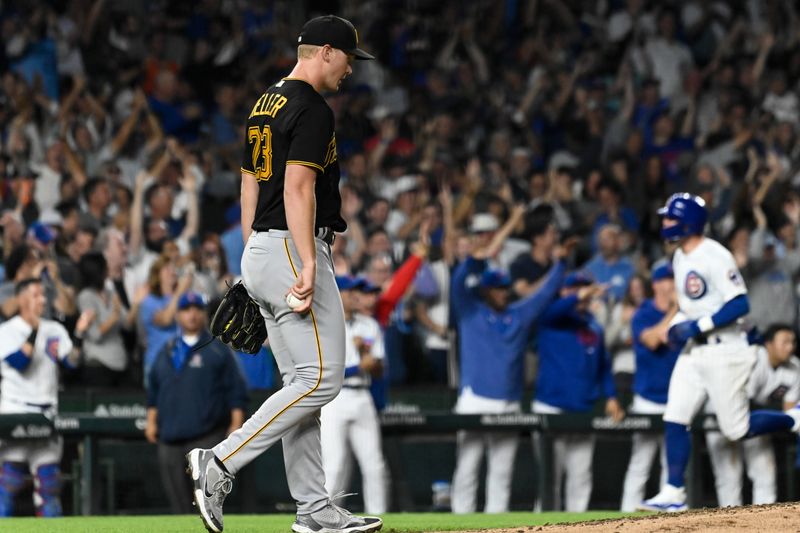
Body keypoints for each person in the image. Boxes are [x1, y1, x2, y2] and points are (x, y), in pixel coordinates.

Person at [185, 15, 383, 533]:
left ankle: (314, 510)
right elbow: (298, 190)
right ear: (324, 52)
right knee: (322, 379)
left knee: (300, 384)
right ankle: (221, 461)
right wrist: (306, 260)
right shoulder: (312, 107)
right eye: (346, 58)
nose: (348, 70)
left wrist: (255, 251)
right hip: (293, 246)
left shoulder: (265, 101)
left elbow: (249, 180)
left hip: (264, 245)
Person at [639, 193, 800, 512]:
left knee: (736, 429)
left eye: (671, 218)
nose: (665, 223)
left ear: (688, 223)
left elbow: (740, 303)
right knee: (675, 415)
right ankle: (673, 491)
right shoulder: (680, 257)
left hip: (726, 351)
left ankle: (793, 419)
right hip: (694, 352)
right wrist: (680, 324)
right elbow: (692, 305)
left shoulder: (715, 255)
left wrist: (697, 326)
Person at [450, 208, 566, 514]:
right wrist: (474, 259)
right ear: (485, 289)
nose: (501, 293)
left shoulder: (518, 314)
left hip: (510, 402)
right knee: (467, 470)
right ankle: (456, 525)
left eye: (504, 287)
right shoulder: (469, 309)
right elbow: (459, 282)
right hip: (474, 399)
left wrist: (561, 263)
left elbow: (544, 295)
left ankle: (496, 525)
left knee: (501, 474)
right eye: (495, 287)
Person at [146, 291, 247, 514]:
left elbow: (236, 390)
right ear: (178, 316)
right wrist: (151, 421)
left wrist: (235, 424)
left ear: (204, 315)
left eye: (196, 309)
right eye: (186, 310)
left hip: (207, 435)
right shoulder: (168, 350)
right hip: (170, 436)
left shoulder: (217, 350)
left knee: (208, 503)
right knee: (179, 505)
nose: (191, 314)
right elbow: (154, 389)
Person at [532, 272, 624, 512]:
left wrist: (611, 396)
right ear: (564, 291)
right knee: (550, 480)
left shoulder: (593, 325)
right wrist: (580, 294)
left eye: (585, 288)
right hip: (551, 408)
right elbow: (555, 311)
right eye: (576, 289)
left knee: (581, 478)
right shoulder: (552, 317)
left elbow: (604, 365)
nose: (582, 293)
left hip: (582, 410)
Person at [0, 278, 92, 516]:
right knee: (7, 487)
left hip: (47, 412)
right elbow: (20, 362)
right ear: (21, 299)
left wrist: (79, 334)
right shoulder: (7, 331)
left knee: (50, 488)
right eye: (34, 295)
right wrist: (33, 330)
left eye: (42, 295)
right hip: (16, 411)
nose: (41, 300)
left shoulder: (54, 329)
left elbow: (71, 363)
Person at [705, 324, 800, 507]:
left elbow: (792, 412)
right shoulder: (753, 359)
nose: (790, 346)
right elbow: (739, 403)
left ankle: (763, 525)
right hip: (722, 414)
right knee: (729, 477)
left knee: (765, 472)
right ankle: (730, 526)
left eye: (793, 342)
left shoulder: (795, 368)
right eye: (785, 341)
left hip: (754, 418)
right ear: (769, 344)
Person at [321, 276, 389, 514]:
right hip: (334, 399)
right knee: (335, 466)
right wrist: (360, 365)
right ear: (337, 294)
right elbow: (326, 372)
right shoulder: (323, 324)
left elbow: (379, 369)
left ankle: (379, 518)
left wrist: (367, 356)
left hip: (362, 395)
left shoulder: (369, 325)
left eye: (357, 292)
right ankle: (326, 521)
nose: (356, 296)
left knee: (374, 465)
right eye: (351, 292)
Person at [619, 265, 680, 512]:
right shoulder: (643, 313)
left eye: (673, 280)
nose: (671, 285)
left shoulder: (686, 313)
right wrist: (676, 310)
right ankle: (622, 520)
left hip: (676, 398)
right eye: (665, 280)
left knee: (673, 465)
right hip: (647, 398)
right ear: (655, 285)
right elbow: (653, 340)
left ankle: (672, 519)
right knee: (640, 463)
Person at [76, 251, 128, 386]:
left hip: (120, 362)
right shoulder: (85, 297)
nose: (108, 268)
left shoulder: (111, 293)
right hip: (98, 365)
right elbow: (95, 335)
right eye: (105, 265)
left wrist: (137, 304)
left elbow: (128, 324)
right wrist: (115, 315)